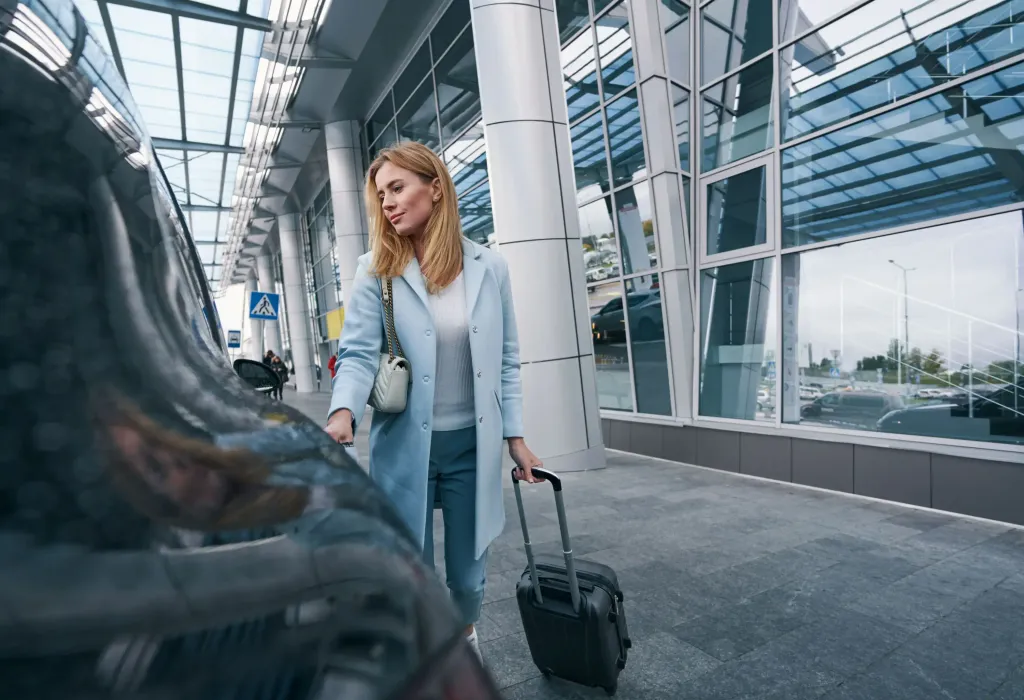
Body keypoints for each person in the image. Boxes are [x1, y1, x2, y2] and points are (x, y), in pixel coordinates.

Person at [325, 141, 543, 655]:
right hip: (403, 447)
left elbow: (506, 359)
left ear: (436, 187)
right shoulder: (375, 268)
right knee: (412, 572)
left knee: (468, 581)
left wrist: (516, 437)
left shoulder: (489, 268)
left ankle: (465, 635)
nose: (388, 204)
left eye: (397, 188)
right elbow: (357, 354)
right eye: (381, 195)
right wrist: (342, 413)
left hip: (472, 446)